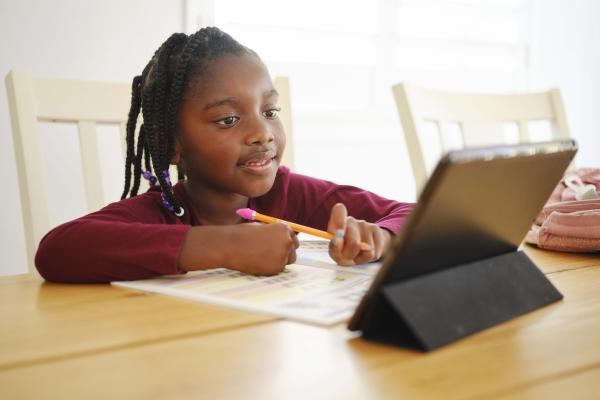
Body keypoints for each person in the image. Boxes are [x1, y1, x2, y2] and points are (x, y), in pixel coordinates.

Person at [35, 27, 413, 283]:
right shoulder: (159, 213)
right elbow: (57, 250)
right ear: (172, 144)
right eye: (229, 119)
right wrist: (222, 246)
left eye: (269, 112)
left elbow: (413, 213)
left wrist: (380, 236)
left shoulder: (290, 193)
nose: (263, 132)